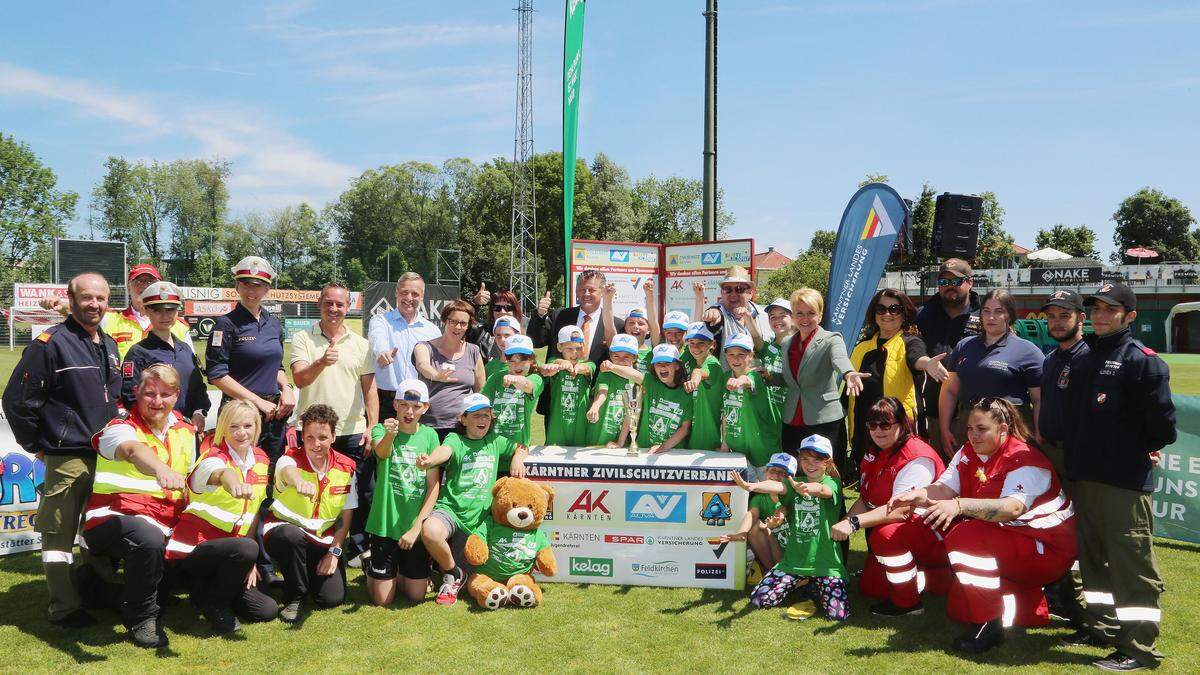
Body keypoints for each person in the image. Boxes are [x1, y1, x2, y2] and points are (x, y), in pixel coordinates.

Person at [889, 398, 1077, 654]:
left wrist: (959, 505)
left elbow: (1012, 508)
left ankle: (989, 625)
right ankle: (1032, 600)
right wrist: (918, 494)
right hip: (1013, 539)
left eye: (981, 429)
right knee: (957, 608)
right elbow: (944, 488)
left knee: (964, 537)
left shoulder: (1024, 459)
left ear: (1003, 429)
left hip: (1048, 547)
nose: (974, 435)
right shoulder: (968, 451)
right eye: (969, 428)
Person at [1063, 283, 1175, 671]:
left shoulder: (1143, 360)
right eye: (1095, 308)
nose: (1099, 315)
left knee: (1132, 567)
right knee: (1092, 562)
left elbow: (1162, 429)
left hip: (1122, 483)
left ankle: (1140, 649)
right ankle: (1104, 629)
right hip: (1085, 478)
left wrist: (1130, 449)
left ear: (1130, 316)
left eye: (1110, 309)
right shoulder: (1087, 355)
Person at [2, 272, 121, 628]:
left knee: (96, 531)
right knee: (59, 538)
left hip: (104, 457)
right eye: (86, 297)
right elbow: (17, 402)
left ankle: (95, 593)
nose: (94, 304)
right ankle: (64, 608)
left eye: (100, 298)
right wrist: (38, 447)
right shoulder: (49, 343)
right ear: (70, 299)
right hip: (66, 456)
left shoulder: (109, 344)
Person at [82, 364, 195, 648]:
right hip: (112, 519)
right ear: (136, 393)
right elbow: (133, 450)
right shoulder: (119, 428)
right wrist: (160, 469)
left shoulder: (186, 430)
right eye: (150, 394)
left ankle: (98, 590)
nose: (157, 402)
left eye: (166, 394)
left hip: (166, 520)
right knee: (147, 539)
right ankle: (141, 617)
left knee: (179, 571)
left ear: (177, 395)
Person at [164, 400, 279, 632]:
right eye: (234, 426)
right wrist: (232, 482)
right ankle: (215, 604)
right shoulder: (211, 457)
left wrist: (249, 562)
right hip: (194, 550)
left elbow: (254, 512)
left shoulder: (262, 459)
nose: (241, 433)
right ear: (223, 428)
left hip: (234, 552)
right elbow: (220, 473)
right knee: (246, 549)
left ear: (257, 427)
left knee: (266, 610)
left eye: (248, 426)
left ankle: (209, 592)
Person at [831, 397, 947, 617]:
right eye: (872, 425)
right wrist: (844, 521)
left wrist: (853, 524)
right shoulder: (875, 450)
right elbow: (865, 498)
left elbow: (901, 510)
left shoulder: (916, 457)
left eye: (886, 424)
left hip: (932, 532)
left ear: (902, 423)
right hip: (907, 530)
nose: (878, 430)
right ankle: (920, 575)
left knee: (885, 536)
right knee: (870, 588)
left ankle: (909, 602)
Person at [289, 282, 379, 561]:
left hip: (352, 431)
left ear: (348, 307)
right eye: (328, 303)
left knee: (360, 492)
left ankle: (359, 548)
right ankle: (312, 543)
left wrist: (371, 425)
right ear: (319, 304)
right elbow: (300, 379)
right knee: (312, 489)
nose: (334, 309)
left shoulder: (362, 345)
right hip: (314, 433)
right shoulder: (303, 338)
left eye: (340, 304)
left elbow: (370, 389)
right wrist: (321, 362)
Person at [418, 393, 529, 606]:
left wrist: (517, 458)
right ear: (463, 419)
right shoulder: (455, 439)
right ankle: (453, 573)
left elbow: (522, 447)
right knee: (430, 531)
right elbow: (445, 451)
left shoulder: (494, 441)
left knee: (474, 581)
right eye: (477, 415)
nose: (483, 420)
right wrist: (430, 460)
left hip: (479, 521)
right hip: (451, 511)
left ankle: (452, 574)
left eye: (487, 416)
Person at [736, 435, 849, 621]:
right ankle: (809, 586)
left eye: (816, 459)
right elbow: (776, 485)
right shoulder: (792, 482)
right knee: (759, 599)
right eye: (805, 459)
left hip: (826, 565)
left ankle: (815, 585)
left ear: (827, 463)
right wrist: (752, 485)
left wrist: (807, 488)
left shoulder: (832, 482)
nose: (810, 464)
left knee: (839, 615)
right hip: (794, 563)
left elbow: (824, 491)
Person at [262, 404, 357, 623]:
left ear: (334, 436)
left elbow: (346, 513)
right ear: (301, 436)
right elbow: (288, 472)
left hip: (322, 539)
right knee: (290, 537)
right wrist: (299, 482)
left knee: (331, 599)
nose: (316, 444)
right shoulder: (288, 459)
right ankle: (295, 595)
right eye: (309, 437)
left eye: (323, 437)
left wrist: (334, 552)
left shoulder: (346, 467)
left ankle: (306, 578)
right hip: (284, 532)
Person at [847, 289, 948, 471]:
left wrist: (927, 364)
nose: (887, 314)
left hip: (899, 432)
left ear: (904, 314)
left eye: (894, 309)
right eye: (881, 308)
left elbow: (917, 357)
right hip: (866, 432)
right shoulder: (862, 347)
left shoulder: (910, 341)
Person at [205, 256, 295, 461]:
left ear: (267, 290)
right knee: (236, 478)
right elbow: (217, 374)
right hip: (239, 415)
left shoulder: (273, 323)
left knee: (270, 477)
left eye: (258, 286)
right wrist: (257, 402)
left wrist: (287, 388)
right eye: (246, 284)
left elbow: (277, 366)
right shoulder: (226, 325)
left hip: (274, 414)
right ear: (237, 286)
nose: (251, 291)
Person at [1036, 289, 1089, 629]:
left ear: (1080, 319)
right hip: (1051, 451)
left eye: (1064, 316)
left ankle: (1082, 606)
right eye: (1052, 316)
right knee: (1054, 524)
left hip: (1081, 455)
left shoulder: (1089, 357)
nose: (1056, 322)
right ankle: (1060, 596)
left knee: (1082, 530)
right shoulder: (1053, 357)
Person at [937, 289, 1043, 458]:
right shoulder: (964, 346)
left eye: (998, 312)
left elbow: (1039, 400)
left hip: (1009, 431)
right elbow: (949, 390)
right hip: (967, 428)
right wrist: (944, 429)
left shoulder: (1028, 351)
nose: (991, 317)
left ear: (1009, 316)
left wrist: (1039, 434)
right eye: (986, 311)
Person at [365, 380, 441, 606]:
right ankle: (372, 568)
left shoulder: (430, 436)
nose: (409, 412)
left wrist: (417, 528)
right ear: (396, 404)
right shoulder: (382, 428)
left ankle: (397, 572)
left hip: (412, 528)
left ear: (425, 408)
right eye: (404, 405)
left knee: (416, 596)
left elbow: (433, 486)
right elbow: (383, 453)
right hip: (384, 524)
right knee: (383, 600)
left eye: (416, 406)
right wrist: (390, 435)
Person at [776, 288, 863, 465]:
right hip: (792, 419)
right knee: (794, 470)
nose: (805, 319)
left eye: (811, 313)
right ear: (793, 315)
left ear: (820, 315)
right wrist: (769, 377)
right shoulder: (786, 343)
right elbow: (792, 380)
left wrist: (849, 373)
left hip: (824, 420)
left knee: (828, 473)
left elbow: (840, 358)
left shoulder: (832, 339)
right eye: (799, 313)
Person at [40, 263, 192, 360]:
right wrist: (60, 304)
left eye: (150, 281)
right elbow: (87, 310)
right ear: (128, 287)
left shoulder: (179, 325)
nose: (144, 286)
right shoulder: (111, 319)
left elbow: (190, 366)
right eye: (139, 281)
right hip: (122, 400)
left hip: (163, 400)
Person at [121, 281, 209, 430]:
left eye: (170, 309)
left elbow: (198, 389)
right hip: (155, 431)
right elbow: (130, 397)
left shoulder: (185, 349)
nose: (165, 315)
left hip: (188, 431)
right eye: (157, 310)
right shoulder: (138, 353)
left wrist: (199, 412)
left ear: (177, 311)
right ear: (147, 311)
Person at [915, 259, 981, 448]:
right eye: (944, 282)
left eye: (956, 282)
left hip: (977, 413)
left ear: (970, 282)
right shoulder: (922, 315)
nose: (949, 287)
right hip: (934, 411)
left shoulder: (986, 313)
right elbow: (911, 348)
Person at [369, 272, 442, 420]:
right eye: (404, 292)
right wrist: (382, 353)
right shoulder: (380, 321)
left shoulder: (432, 331)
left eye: (415, 294)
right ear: (396, 293)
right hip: (387, 402)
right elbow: (378, 340)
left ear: (422, 296)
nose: (409, 298)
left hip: (419, 404)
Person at [413, 299, 485, 441]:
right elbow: (422, 365)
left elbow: (480, 389)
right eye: (453, 321)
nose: (458, 327)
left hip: (463, 427)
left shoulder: (474, 351)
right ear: (445, 321)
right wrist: (437, 375)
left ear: (468, 326)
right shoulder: (424, 347)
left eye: (463, 323)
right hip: (430, 426)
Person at [721, 453, 798, 575]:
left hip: (796, 550)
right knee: (756, 526)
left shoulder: (794, 494)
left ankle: (782, 573)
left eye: (783, 473)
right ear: (766, 472)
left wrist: (782, 515)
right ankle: (770, 571)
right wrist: (742, 533)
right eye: (772, 470)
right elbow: (752, 515)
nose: (776, 475)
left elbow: (784, 508)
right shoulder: (760, 498)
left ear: (792, 478)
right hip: (775, 548)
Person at [529, 270, 624, 368]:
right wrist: (540, 314)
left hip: (598, 382)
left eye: (591, 290)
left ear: (602, 292)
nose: (586, 294)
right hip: (560, 381)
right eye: (582, 290)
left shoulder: (616, 325)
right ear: (576, 292)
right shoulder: (559, 316)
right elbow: (536, 342)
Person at [720, 334, 781, 476]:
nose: (736, 359)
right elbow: (726, 413)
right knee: (745, 495)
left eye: (741, 354)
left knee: (767, 493)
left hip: (762, 449)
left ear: (751, 355)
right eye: (731, 354)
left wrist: (739, 381)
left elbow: (748, 380)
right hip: (738, 448)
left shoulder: (757, 376)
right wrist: (725, 444)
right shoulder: (725, 377)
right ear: (726, 356)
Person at [618, 344, 693, 454]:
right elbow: (634, 375)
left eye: (667, 363)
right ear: (653, 366)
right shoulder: (651, 383)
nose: (663, 367)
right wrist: (611, 367)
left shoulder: (686, 392)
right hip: (644, 449)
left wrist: (663, 447)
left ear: (677, 366)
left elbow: (685, 428)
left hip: (673, 452)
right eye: (658, 363)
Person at [699, 266, 774, 367]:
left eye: (739, 289)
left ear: (750, 293)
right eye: (728, 289)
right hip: (727, 380)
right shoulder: (717, 311)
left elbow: (767, 348)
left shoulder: (762, 314)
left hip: (757, 380)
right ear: (722, 293)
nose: (733, 294)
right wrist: (712, 313)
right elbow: (713, 320)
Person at [481, 335, 544, 446]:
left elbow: (527, 385)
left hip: (518, 445)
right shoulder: (496, 377)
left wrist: (515, 380)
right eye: (512, 360)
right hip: (492, 443)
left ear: (531, 359)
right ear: (506, 359)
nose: (517, 365)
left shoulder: (535, 378)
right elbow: (483, 403)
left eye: (523, 359)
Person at [541, 326, 594, 446]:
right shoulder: (554, 362)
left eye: (578, 348)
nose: (575, 353)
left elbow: (587, 368)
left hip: (580, 426)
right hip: (557, 426)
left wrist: (578, 367)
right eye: (569, 348)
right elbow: (552, 364)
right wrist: (561, 363)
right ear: (560, 347)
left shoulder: (589, 364)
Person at [587, 334, 643, 447]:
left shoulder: (635, 381)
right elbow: (603, 392)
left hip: (619, 435)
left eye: (626, 357)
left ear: (635, 357)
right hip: (597, 432)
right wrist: (595, 407)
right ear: (610, 355)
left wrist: (620, 442)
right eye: (616, 356)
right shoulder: (606, 374)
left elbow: (630, 414)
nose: (621, 361)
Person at [746, 297, 794, 415]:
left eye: (783, 315)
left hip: (792, 413)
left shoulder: (800, 349)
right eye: (773, 317)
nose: (777, 320)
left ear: (793, 318)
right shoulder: (766, 348)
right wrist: (747, 317)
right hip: (769, 413)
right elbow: (756, 336)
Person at [601, 279, 660, 374]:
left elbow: (654, 325)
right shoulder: (617, 346)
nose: (635, 326)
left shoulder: (654, 351)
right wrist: (607, 299)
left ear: (649, 330)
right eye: (631, 323)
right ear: (625, 327)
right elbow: (609, 327)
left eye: (641, 323)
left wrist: (649, 296)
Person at [682, 322, 723, 451]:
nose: (695, 347)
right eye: (692, 343)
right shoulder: (692, 359)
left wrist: (694, 380)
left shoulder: (713, 364)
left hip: (707, 436)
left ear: (712, 344)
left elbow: (700, 372)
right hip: (691, 432)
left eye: (701, 343)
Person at [468, 284, 526, 362]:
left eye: (508, 308)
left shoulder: (524, 337)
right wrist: (474, 303)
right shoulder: (480, 332)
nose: (502, 312)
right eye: (497, 308)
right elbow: (462, 322)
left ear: (515, 311)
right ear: (492, 311)